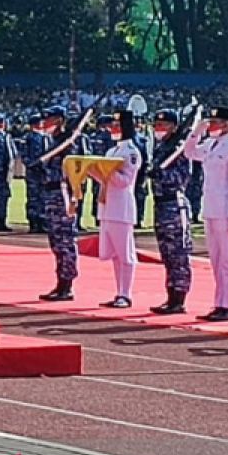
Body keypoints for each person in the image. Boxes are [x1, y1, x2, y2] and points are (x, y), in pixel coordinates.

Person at [184, 107, 228, 321]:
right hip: (210, 209)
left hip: (225, 211)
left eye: (216, 122)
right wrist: (196, 131)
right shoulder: (211, 145)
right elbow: (189, 152)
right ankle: (219, 303)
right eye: (210, 122)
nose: (212, 126)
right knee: (216, 260)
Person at [90, 109, 141, 309]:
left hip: (122, 208)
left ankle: (126, 294)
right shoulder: (112, 151)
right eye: (112, 125)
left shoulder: (131, 152)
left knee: (125, 253)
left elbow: (124, 181)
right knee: (114, 255)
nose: (113, 129)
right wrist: (94, 171)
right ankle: (119, 291)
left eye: (117, 126)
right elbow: (106, 179)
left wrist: (105, 172)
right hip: (108, 206)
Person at [146, 109, 192, 315]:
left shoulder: (180, 149)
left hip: (175, 204)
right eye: (156, 125)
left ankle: (179, 298)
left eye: (163, 126)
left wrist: (161, 174)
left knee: (178, 254)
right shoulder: (162, 148)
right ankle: (170, 294)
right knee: (166, 253)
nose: (158, 129)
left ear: (174, 127)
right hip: (160, 205)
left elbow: (182, 179)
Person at [35, 106, 84, 301]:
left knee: (65, 241)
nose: (45, 123)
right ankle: (60, 283)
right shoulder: (54, 142)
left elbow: (76, 170)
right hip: (51, 194)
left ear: (60, 121)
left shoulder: (69, 143)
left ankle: (67, 285)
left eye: (49, 120)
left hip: (64, 194)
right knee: (56, 242)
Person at [88, 115, 115, 227]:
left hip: (98, 170)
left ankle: (98, 218)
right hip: (105, 169)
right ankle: (102, 218)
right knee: (103, 194)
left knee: (97, 194)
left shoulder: (93, 137)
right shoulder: (108, 137)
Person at [21, 113, 46, 232]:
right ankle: (33, 222)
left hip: (44, 172)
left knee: (43, 198)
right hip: (33, 173)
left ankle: (42, 222)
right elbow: (24, 155)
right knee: (33, 198)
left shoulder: (46, 137)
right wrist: (32, 165)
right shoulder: (28, 138)